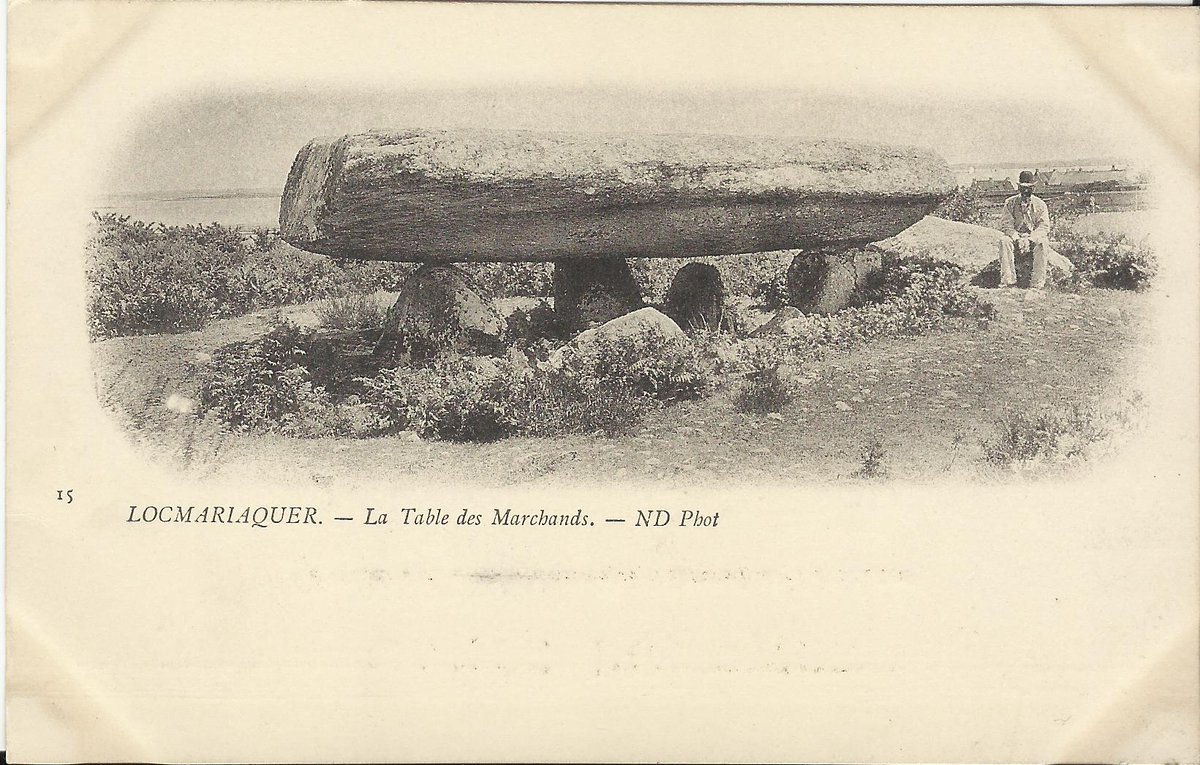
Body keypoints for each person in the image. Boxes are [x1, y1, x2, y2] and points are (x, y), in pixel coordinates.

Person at [998, 170, 1050, 289]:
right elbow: (1006, 224)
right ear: (1018, 187)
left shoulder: (1041, 204)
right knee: (1003, 241)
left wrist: (1030, 239)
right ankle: (1009, 281)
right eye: (1023, 187)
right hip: (1015, 237)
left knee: (1043, 242)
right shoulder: (1010, 203)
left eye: (1029, 188)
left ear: (1034, 188)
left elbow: (1044, 226)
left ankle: (1037, 283)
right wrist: (1017, 238)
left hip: (1032, 237)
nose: (1026, 191)